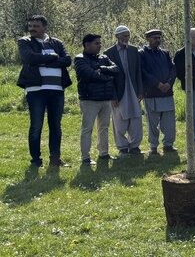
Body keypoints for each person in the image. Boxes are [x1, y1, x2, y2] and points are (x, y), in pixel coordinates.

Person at [17, 15, 72, 168]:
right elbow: (29, 58)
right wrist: (53, 58)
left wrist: (44, 60)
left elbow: (67, 60)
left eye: (36, 26)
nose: (32, 29)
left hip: (56, 89)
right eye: (30, 26)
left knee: (56, 125)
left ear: (45, 27)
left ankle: (55, 159)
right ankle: (36, 161)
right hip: (36, 89)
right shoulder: (25, 41)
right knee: (36, 126)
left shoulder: (57, 43)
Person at [74, 34, 120, 165]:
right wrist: (108, 77)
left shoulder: (104, 58)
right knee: (87, 128)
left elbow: (116, 70)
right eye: (96, 43)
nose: (99, 45)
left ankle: (104, 153)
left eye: (100, 43)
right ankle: (85, 157)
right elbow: (89, 75)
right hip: (90, 100)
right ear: (87, 45)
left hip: (106, 99)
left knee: (104, 127)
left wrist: (102, 69)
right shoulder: (79, 59)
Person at [104, 25, 144, 156]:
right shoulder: (108, 53)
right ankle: (122, 147)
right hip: (118, 91)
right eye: (124, 36)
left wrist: (140, 90)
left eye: (128, 36)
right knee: (119, 119)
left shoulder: (134, 51)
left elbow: (138, 71)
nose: (126, 38)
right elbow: (108, 78)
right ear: (117, 37)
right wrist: (113, 96)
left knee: (136, 117)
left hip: (133, 89)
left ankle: (135, 146)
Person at [139, 29, 177, 155]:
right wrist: (158, 84)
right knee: (153, 124)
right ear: (148, 39)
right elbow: (143, 72)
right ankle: (153, 147)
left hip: (166, 93)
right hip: (151, 93)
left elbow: (173, 69)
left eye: (159, 37)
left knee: (169, 123)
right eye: (155, 38)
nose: (157, 40)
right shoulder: (142, 54)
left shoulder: (164, 53)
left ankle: (168, 145)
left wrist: (168, 83)